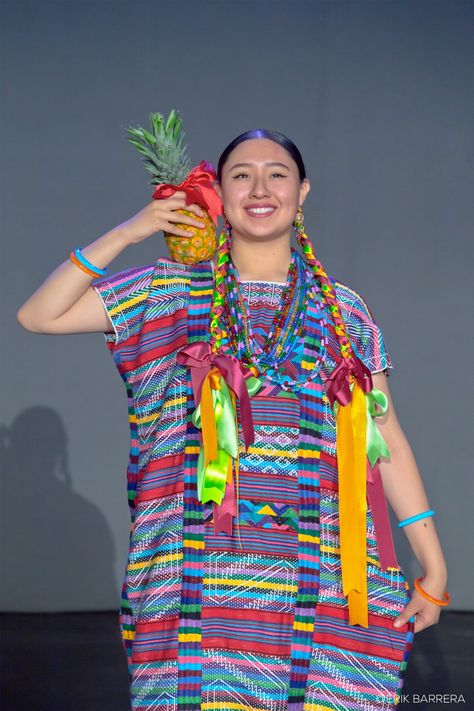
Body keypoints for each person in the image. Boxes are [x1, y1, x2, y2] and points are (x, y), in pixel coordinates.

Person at [17, 129, 449, 710]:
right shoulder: (167, 293)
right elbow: (40, 314)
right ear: (218, 194)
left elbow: (385, 434)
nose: (260, 187)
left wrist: (433, 561)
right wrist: (137, 228)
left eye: (278, 173)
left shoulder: (343, 311)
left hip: (323, 573)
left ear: (303, 192)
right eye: (241, 175)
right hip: (195, 570)